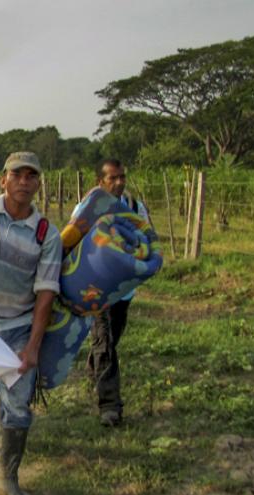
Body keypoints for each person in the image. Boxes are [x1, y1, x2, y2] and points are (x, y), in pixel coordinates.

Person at [0, 151, 61, 495]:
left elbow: (46, 293)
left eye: (31, 176)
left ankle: (8, 476)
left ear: (38, 184)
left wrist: (33, 346)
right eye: (16, 174)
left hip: (18, 329)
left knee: (19, 408)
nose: (24, 181)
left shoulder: (45, 234)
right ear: (3, 180)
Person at [78, 159, 151, 428]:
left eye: (122, 177)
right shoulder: (88, 208)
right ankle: (109, 406)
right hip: (98, 290)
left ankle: (93, 369)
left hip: (124, 290)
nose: (119, 182)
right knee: (105, 342)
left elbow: (146, 238)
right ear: (100, 182)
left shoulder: (134, 207)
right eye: (113, 178)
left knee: (111, 339)